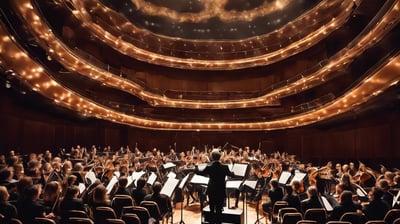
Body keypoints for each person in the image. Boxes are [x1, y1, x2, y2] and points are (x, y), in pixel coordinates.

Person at [195, 149, 235, 224]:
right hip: (221, 190)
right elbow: (232, 175)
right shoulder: (225, 167)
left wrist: (196, 165)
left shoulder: (209, 167)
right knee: (219, 209)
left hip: (212, 190)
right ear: (220, 157)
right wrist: (233, 170)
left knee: (212, 208)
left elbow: (199, 172)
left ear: (212, 157)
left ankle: (212, 222)